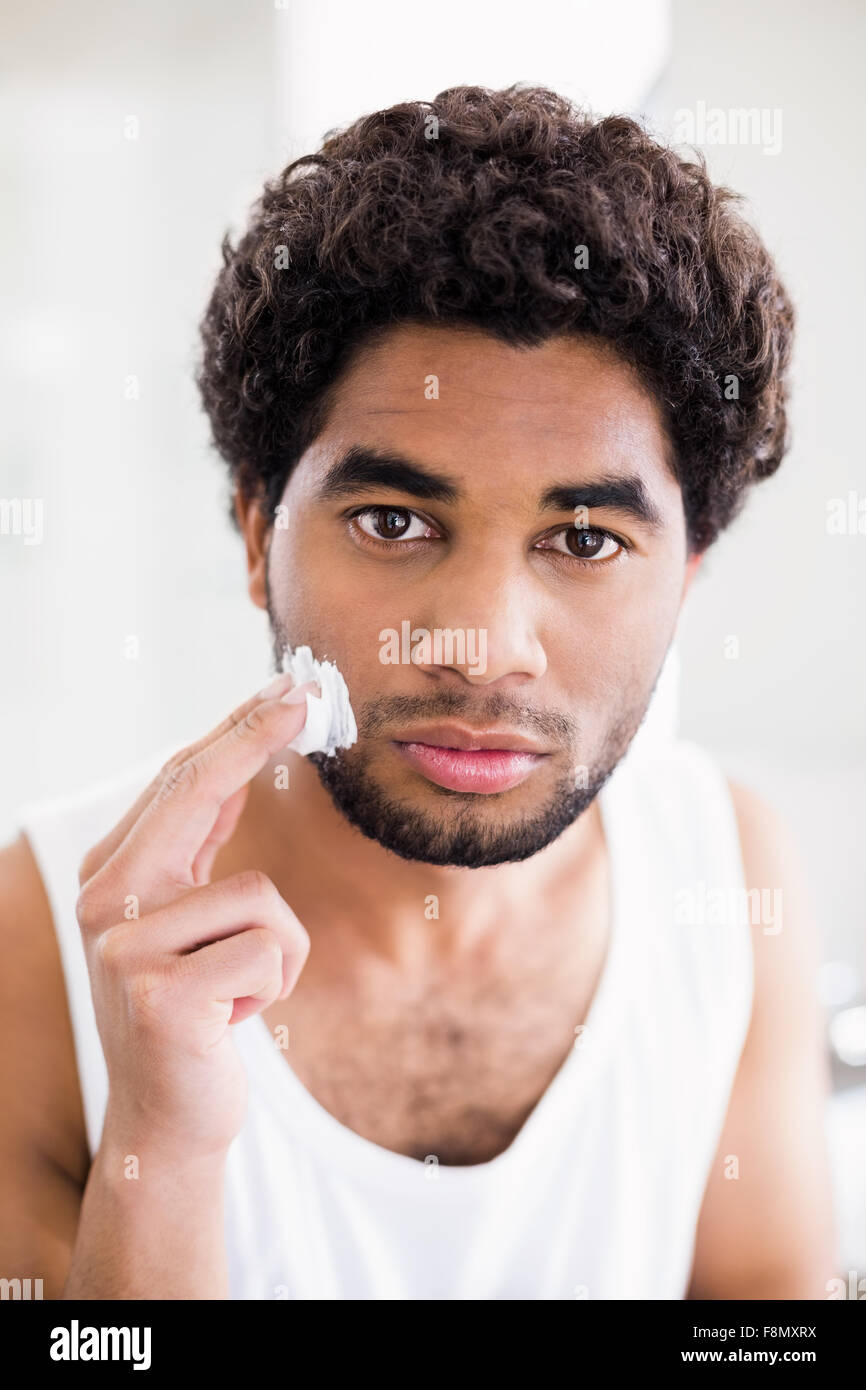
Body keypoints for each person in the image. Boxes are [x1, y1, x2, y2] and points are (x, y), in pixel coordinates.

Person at [0, 84, 837, 1299]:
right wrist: (163, 1145)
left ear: (687, 577)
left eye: (587, 538)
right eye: (393, 520)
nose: (481, 647)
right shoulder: (38, 935)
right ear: (253, 535)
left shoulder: (729, 870)